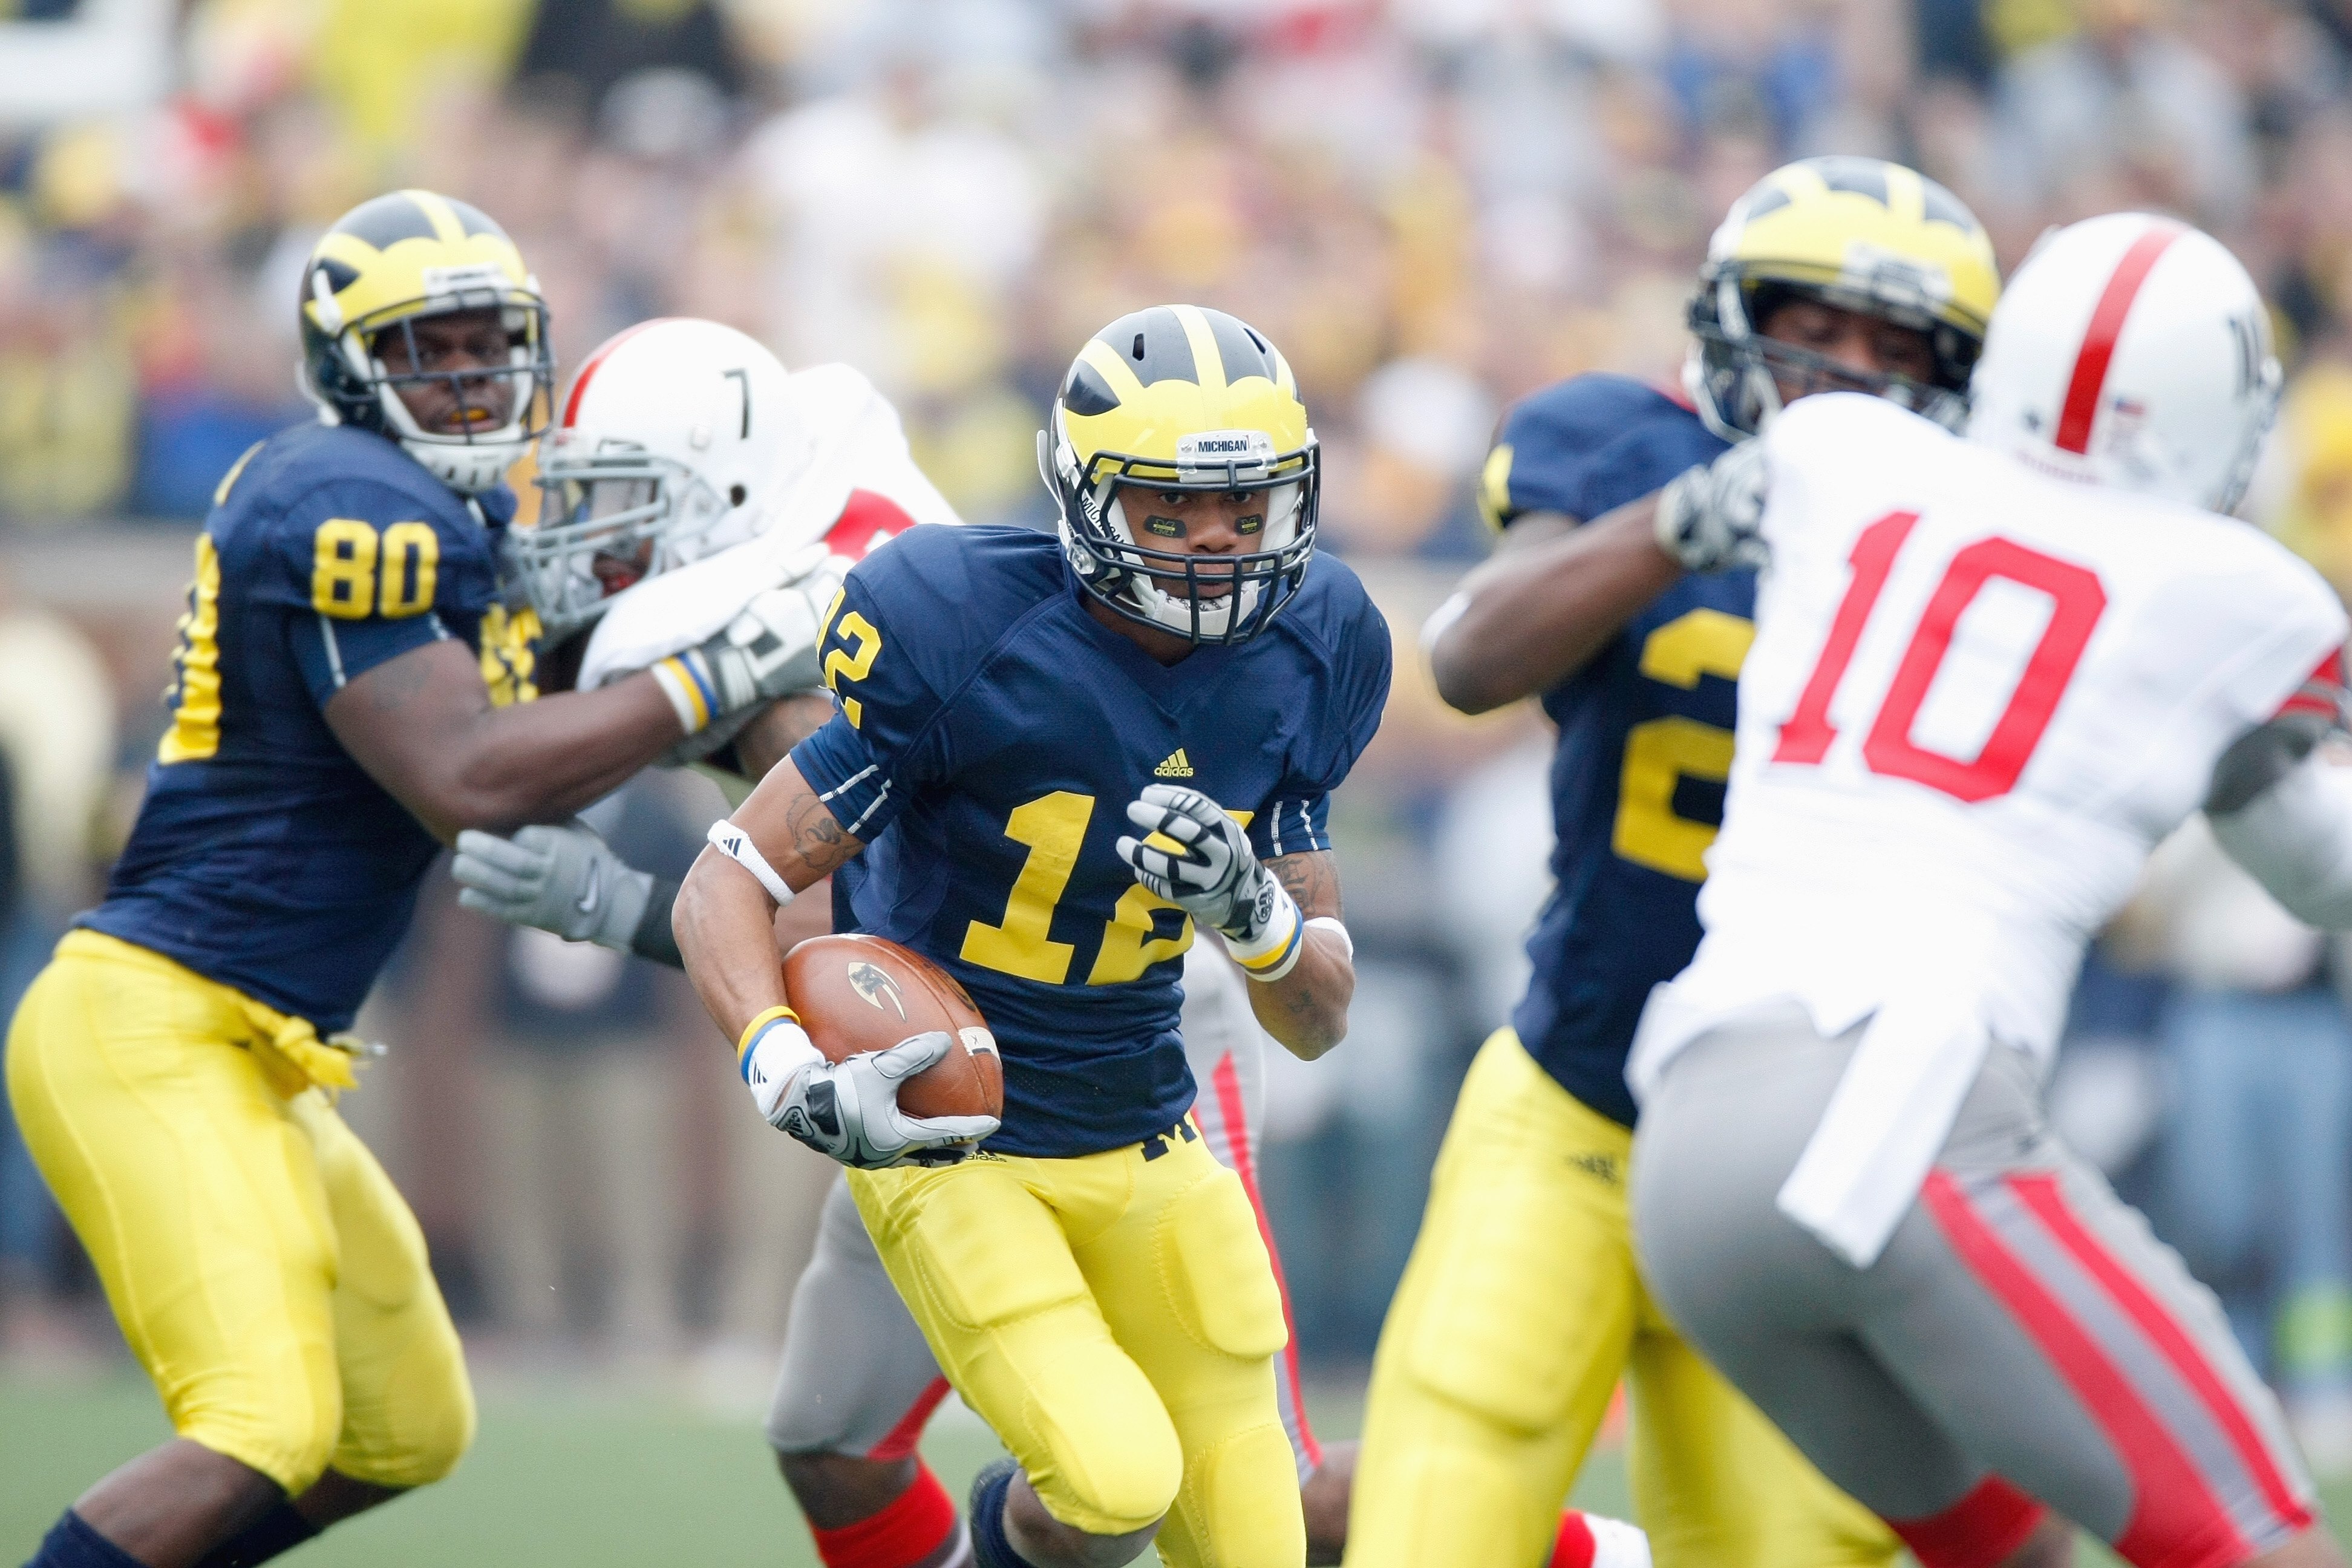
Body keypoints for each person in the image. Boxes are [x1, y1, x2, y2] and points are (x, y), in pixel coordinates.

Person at [456, 310, 1646, 1568]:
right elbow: (804, 919)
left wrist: (617, 911)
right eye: (1170, 513)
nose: (585, 533)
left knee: (1242, 1490)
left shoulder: (876, 620)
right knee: (831, 1441)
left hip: (1137, 1042)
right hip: (940, 1077)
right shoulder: (912, 605)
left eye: (622, 497)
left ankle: (1616, 1560)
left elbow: (825, 939)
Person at [3, 191, 831, 1568]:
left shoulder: (453, 529)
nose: (467, 376)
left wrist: (755, 685)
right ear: (348, 368)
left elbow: (581, 706)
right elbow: (467, 776)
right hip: (152, 1025)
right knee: (260, 1427)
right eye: (426, 349)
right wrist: (712, 668)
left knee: (404, 1426)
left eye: (487, 341)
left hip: (262, 1050)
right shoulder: (345, 500)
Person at [1627, 213, 2349, 1568]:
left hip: (1689, 1146)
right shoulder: (2244, 598)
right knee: (2258, 1537)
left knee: (2006, 1556)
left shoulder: (1840, 453)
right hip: (1900, 1118)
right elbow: (2319, 877)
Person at [1355, 156, 2006, 1568]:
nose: (1844, 370)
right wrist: (1676, 527)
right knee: (1437, 1524)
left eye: (1895, 347)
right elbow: (1470, 656)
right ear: (1729, 318)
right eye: (1811, 323)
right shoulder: (1623, 446)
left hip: (1801, 1156)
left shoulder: (1993, 545)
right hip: (1577, 1100)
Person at [670, 304, 1391, 1568]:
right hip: (954, 1129)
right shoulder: (959, 621)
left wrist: (1258, 915)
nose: (1216, 548)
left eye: (1244, 510)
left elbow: (1319, 1017)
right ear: (1088, 501)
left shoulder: (1319, 643)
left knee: (1252, 1525)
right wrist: (785, 1068)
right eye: (1171, 515)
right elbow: (724, 881)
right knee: (1104, 1480)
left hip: (1150, 1126)